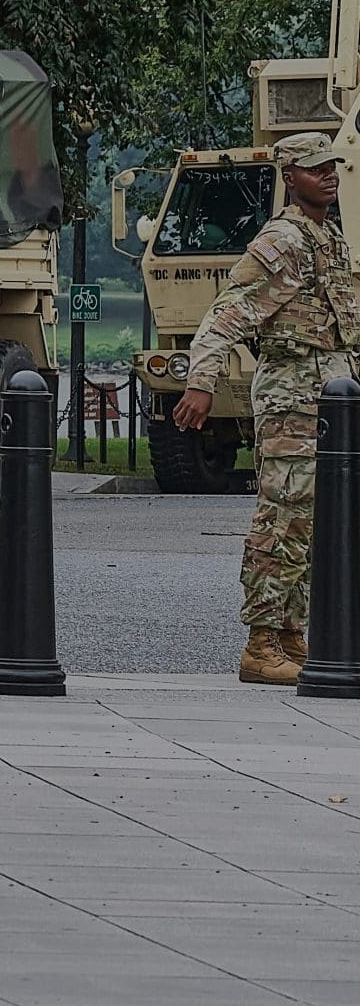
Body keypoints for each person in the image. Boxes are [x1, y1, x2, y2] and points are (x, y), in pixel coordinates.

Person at [173, 131, 360, 683]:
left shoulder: (331, 238)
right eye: (313, 168)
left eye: (331, 166)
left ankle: (291, 635)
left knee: (317, 519)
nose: (327, 174)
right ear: (289, 178)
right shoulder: (282, 242)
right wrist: (201, 382)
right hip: (290, 396)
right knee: (283, 517)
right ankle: (259, 643)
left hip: (331, 397)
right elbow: (227, 315)